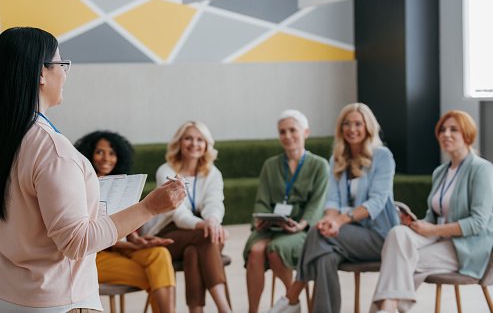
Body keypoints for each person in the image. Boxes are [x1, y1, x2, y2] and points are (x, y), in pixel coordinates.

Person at [0, 27, 186, 312]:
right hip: (55, 301)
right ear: (40, 74)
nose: (65, 74)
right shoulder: (53, 152)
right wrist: (149, 208)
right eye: (61, 64)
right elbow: (77, 242)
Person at [269, 103, 399, 313]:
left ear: (368, 127)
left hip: (379, 237)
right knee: (324, 256)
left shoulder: (382, 156)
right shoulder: (337, 159)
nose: (352, 129)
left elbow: (376, 202)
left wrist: (338, 221)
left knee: (316, 232)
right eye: (346, 124)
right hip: (345, 234)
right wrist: (330, 220)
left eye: (358, 123)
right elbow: (332, 201)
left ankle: (292, 297)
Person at [370, 110, 493, 313]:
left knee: (400, 260)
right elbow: (433, 217)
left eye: (454, 129)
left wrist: (432, 231)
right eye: (442, 130)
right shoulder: (440, 172)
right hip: (439, 238)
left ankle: (388, 308)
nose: (446, 134)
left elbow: (478, 223)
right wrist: (416, 224)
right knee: (397, 234)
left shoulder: (481, 169)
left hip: (468, 246)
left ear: (467, 135)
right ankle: (389, 308)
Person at [74, 131, 176, 313]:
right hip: (94, 258)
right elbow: (91, 236)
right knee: (157, 277)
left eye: (112, 153)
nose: (106, 158)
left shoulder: (121, 186)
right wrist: (131, 247)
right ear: (88, 153)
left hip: (121, 249)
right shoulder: (80, 186)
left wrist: (137, 240)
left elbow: (128, 227)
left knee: (159, 254)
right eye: (100, 152)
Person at [140, 120, 231, 313]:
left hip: (201, 234)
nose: (194, 143)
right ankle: (225, 309)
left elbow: (214, 204)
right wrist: (207, 226)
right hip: (168, 234)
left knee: (194, 252)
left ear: (206, 144)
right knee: (206, 237)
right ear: (179, 142)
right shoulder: (166, 171)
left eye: (200, 139)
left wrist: (213, 220)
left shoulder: (213, 173)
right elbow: (179, 215)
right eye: (188, 138)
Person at [243, 109, 329, 313]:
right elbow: (262, 200)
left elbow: (317, 204)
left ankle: (290, 300)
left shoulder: (320, 165)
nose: (287, 136)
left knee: (275, 251)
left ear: (305, 132)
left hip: (302, 228)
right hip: (271, 226)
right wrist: (260, 220)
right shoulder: (270, 165)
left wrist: (302, 224)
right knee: (255, 251)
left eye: (293, 130)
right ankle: (254, 310)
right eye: (282, 132)